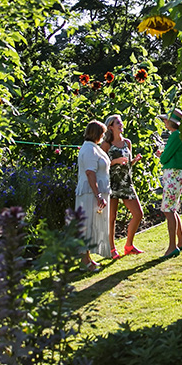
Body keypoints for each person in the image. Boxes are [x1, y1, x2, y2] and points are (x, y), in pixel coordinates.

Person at [102, 113, 144, 258]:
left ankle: (129, 245)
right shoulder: (106, 145)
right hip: (112, 183)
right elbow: (101, 165)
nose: (121, 125)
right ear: (110, 127)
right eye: (118, 123)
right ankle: (112, 249)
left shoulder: (127, 143)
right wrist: (115, 161)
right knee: (111, 217)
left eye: (121, 123)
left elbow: (127, 163)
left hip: (126, 183)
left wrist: (134, 161)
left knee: (138, 214)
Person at [76, 120, 112, 268]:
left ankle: (88, 258)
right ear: (96, 133)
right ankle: (84, 261)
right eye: (102, 134)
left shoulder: (93, 148)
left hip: (95, 192)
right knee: (87, 225)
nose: (103, 137)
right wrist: (98, 195)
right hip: (90, 193)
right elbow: (90, 173)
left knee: (92, 224)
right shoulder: (89, 150)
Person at [157, 107, 182, 258]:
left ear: (171, 122)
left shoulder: (175, 135)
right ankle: (181, 242)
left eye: (165, 119)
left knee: (167, 210)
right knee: (171, 208)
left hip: (174, 173)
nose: (164, 121)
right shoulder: (180, 134)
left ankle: (172, 246)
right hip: (178, 172)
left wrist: (161, 155)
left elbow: (165, 158)